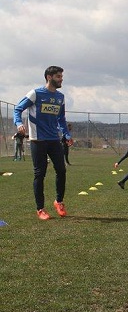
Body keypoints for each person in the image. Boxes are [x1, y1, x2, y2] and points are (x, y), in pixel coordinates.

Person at [13, 66, 72, 220]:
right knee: (40, 174)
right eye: (58, 76)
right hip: (37, 140)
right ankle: (40, 209)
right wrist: (19, 123)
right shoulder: (35, 94)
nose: (61, 79)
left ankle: (59, 202)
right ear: (49, 77)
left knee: (61, 170)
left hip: (54, 140)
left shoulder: (61, 97)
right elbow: (17, 109)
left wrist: (66, 134)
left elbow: (61, 119)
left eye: (61, 76)